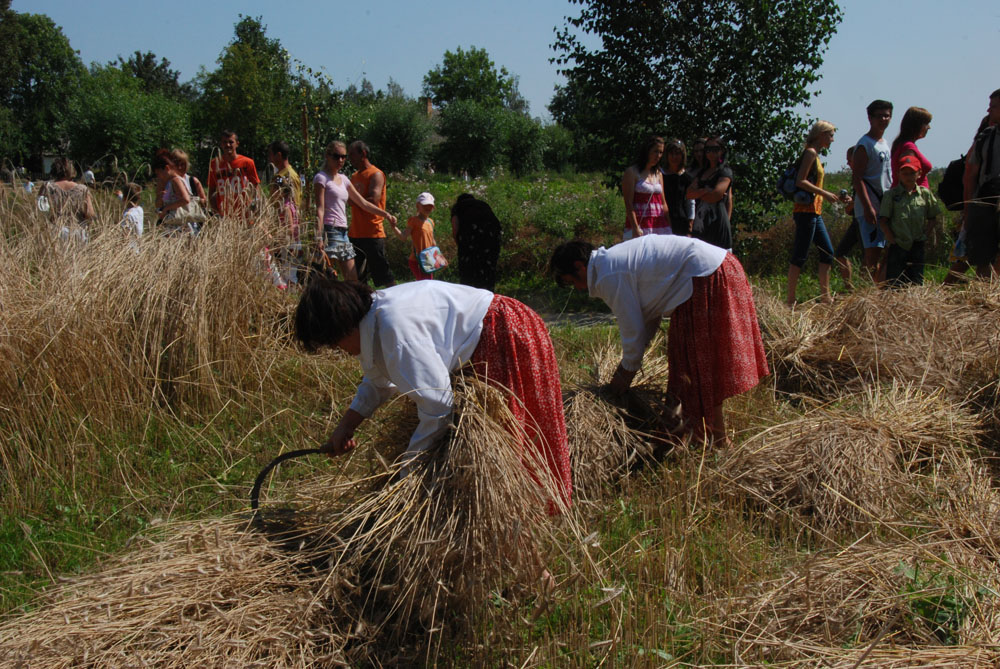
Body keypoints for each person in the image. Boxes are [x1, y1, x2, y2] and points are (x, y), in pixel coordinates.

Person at [294, 277, 572, 510]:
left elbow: (438, 405)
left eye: (333, 344)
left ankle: (522, 523)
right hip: (494, 331)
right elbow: (378, 379)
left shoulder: (395, 330)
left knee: (511, 443)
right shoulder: (374, 318)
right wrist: (346, 426)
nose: (337, 351)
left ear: (344, 325)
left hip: (504, 332)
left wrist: (408, 474)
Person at [550, 236, 768, 445]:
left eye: (572, 282)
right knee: (696, 367)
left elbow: (632, 328)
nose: (579, 289)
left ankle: (716, 439)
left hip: (704, 277)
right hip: (719, 268)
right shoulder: (613, 262)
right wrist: (634, 357)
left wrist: (626, 373)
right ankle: (707, 436)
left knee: (695, 368)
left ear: (580, 266)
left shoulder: (609, 273)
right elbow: (649, 314)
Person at [785, 121, 852, 306]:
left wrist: (835, 197)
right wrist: (824, 193)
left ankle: (825, 296)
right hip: (806, 212)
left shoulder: (815, 154)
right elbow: (801, 181)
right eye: (830, 135)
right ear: (820, 135)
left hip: (815, 211)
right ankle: (791, 299)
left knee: (827, 252)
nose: (832, 139)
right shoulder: (810, 153)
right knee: (800, 254)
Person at [313, 141, 397, 282]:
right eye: (336, 156)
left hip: (344, 231)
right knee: (325, 277)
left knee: (352, 278)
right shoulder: (321, 178)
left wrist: (386, 214)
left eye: (344, 157)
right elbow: (320, 209)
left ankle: (347, 302)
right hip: (329, 230)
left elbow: (363, 203)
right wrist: (318, 237)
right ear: (327, 156)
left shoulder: (344, 179)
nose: (341, 160)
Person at [878, 155, 943, 286]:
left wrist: (925, 235)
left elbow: (933, 218)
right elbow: (883, 220)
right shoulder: (891, 195)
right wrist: (892, 240)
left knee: (916, 281)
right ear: (898, 174)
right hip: (898, 244)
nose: (908, 177)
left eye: (912, 173)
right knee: (895, 283)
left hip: (917, 244)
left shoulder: (924, 194)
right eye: (905, 173)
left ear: (919, 174)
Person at [852, 100, 893, 281]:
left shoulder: (884, 143)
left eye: (887, 115)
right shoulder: (865, 144)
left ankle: (876, 288)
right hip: (871, 207)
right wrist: (868, 207)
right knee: (872, 254)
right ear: (870, 118)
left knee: (883, 251)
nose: (884, 119)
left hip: (883, 204)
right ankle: (865, 293)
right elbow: (857, 178)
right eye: (880, 116)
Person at [962, 89, 1000, 276]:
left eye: (993, 106)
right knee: (982, 257)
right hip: (985, 202)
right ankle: (986, 298)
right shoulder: (985, 137)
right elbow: (970, 175)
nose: (988, 110)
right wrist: (968, 208)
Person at [347, 140, 395, 287]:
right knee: (359, 275)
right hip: (356, 232)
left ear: (364, 154)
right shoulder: (354, 176)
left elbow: (373, 200)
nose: (350, 159)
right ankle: (366, 304)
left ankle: (395, 301)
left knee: (382, 273)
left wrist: (354, 201)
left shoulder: (376, 174)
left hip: (373, 231)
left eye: (352, 155)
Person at [686, 136, 733, 250]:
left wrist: (700, 192)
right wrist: (706, 190)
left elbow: (715, 196)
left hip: (718, 223)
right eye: (708, 149)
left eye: (715, 149)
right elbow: (688, 194)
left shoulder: (725, 172)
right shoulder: (702, 173)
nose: (711, 152)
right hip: (701, 224)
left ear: (721, 150)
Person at [622, 135, 671, 239]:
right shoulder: (632, 172)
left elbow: (663, 202)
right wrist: (635, 227)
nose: (658, 155)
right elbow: (628, 203)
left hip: (659, 224)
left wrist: (669, 224)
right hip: (640, 225)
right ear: (647, 151)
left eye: (661, 152)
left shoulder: (658, 173)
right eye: (655, 151)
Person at [450, 193, 502, 291]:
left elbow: (455, 228)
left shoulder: (458, 207)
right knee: (488, 270)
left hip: (470, 242)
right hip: (491, 241)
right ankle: (488, 296)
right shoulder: (483, 204)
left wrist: (460, 246)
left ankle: (471, 296)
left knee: (469, 272)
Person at [37, 157, 95, 240]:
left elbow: (41, 211)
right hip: (77, 231)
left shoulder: (47, 187)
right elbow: (90, 214)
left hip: (55, 231)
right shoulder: (82, 189)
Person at [207, 130, 260, 222]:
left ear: (237, 144)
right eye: (224, 142)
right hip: (224, 214)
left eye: (231, 142)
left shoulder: (247, 163)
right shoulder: (214, 164)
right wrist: (216, 212)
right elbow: (211, 190)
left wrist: (254, 206)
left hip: (245, 213)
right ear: (221, 144)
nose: (227, 145)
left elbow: (255, 186)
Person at [393, 191, 439, 281]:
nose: (428, 208)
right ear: (418, 206)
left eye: (430, 205)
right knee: (423, 284)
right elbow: (403, 237)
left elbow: (432, 241)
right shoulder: (413, 221)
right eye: (425, 205)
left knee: (429, 283)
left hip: (429, 259)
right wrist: (394, 227)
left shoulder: (430, 222)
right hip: (417, 260)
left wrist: (438, 257)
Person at [834, 146, 862, 289]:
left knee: (869, 256)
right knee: (841, 253)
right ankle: (850, 288)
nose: (847, 163)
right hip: (857, 221)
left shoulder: (863, 177)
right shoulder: (857, 176)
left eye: (849, 160)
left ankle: (869, 288)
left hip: (862, 221)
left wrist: (851, 205)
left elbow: (860, 201)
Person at [152, 151, 195, 235]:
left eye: (159, 173)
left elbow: (185, 199)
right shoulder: (169, 182)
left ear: (167, 168)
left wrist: (167, 208)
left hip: (181, 226)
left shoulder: (176, 180)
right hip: (173, 226)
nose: (158, 176)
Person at [890, 107, 933, 189]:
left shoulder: (903, 144)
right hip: (911, 199)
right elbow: (907, 178)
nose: (929, 127)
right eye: (926, 124)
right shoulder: (908, 147)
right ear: (917, 125)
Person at [661, 138, 695, 236]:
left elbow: (690, 202)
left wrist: (690, 224)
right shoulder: (660, 175)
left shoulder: (687, 177)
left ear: (683, 155)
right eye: (671, 153)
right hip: (662, 220)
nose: (674, 157)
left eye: (677, 153)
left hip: (681, 221)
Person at [267, 140, 301, 210]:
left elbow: (295, 204)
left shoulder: (290, 176)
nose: (269, 158)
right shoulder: (278, 175)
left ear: (279, 155)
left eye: (271, 154)